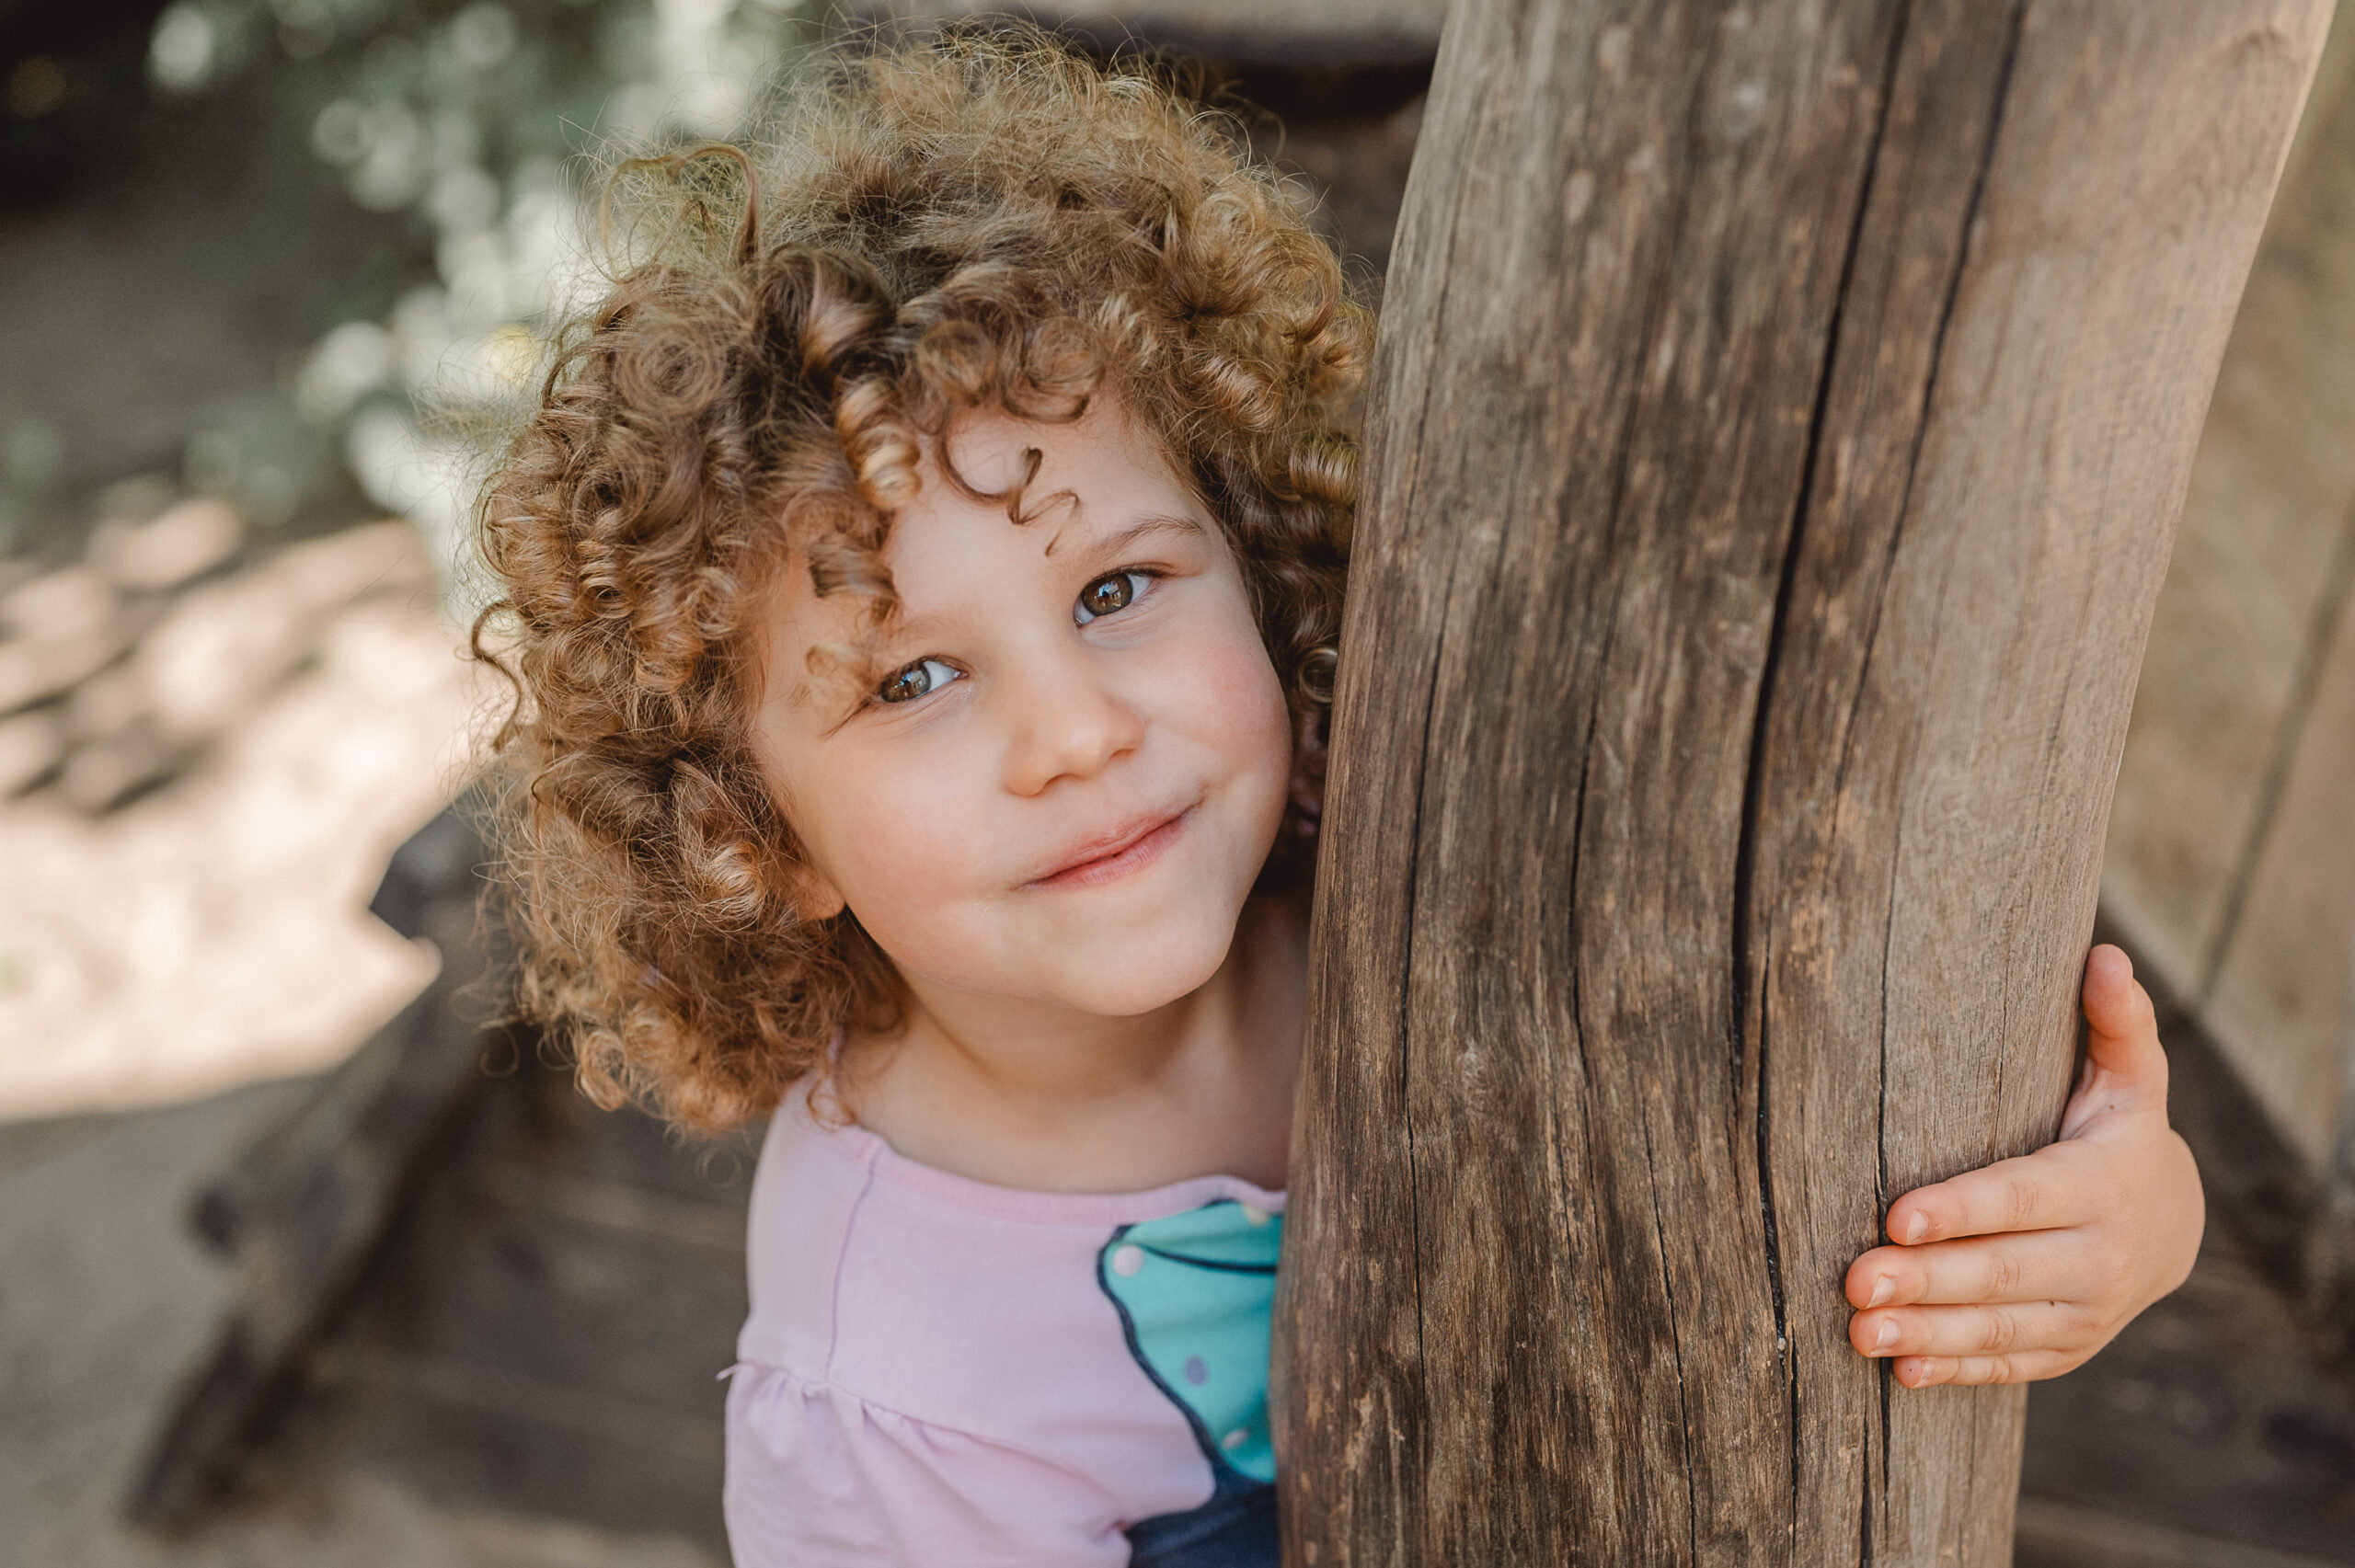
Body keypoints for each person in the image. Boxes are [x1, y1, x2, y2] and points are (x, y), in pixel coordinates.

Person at [472, 28, 2204, 1568]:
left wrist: (2122, 1224)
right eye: (915, 679)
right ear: (756, 842)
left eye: (1118, 591)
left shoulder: (1459, 858)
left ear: (1257, 562)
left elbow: (1906, 1166)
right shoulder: (894, 1424)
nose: (1075, 732)